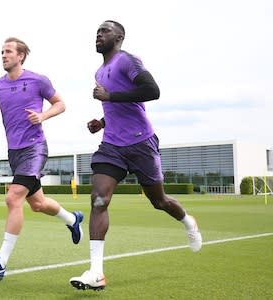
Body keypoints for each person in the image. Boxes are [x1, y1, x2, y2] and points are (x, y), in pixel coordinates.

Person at [69, 21, 203, 291]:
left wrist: (110, 95)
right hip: (112, 146)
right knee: (98, 200)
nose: (98, 34)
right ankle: (96, 273)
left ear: (118, 37)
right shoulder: (99, 70)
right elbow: (117, 106)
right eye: (97, 31)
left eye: (104, 31)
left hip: (141, 143)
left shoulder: (127, 60)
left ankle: (188, 221)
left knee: (160, 201)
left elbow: (152, 91)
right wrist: (102, 123)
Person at [0, 37, 84, 280]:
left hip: (35, 148)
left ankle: (0, 261)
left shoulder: (38, 80)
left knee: (13, 198)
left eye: (8, 51)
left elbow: (61, 104)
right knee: (38, 204)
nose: (3, 55)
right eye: (2, 52)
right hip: (14, 152)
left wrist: (42, 116)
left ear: (21, 56)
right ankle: (72, 219)